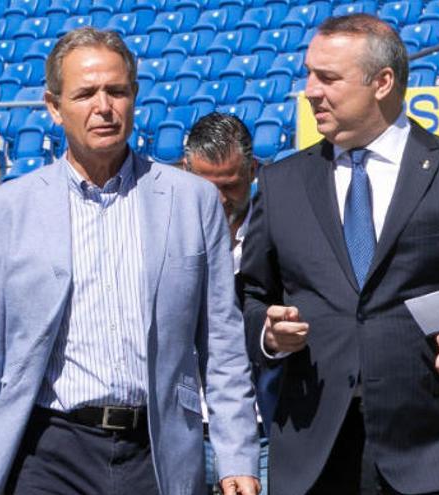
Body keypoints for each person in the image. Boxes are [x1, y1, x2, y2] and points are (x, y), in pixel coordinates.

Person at [0, 27, 260, 495]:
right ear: (54, 107)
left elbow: (222, 345)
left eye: (116, 91)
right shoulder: (10, 208)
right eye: (86, 93)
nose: (104, 106)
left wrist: (237, 455)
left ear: (134, 96)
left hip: (156, 451)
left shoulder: (192, 201)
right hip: (48, 451)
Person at [240, 14, 439, 495]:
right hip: (312, 457)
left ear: (382, 82)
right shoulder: (281, 184)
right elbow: (250, 297)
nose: (310, 90)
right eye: (309, 74)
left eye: (328, 78)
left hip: (436, 455)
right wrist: (269, 334)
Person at [182, 113, 278, 495]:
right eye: (206, 186)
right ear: (185, 170)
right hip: (185, 432)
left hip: (262, 434)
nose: (219, 200)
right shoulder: (167, 239)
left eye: (230, 185)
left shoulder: (281, 235)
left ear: (253, 170)